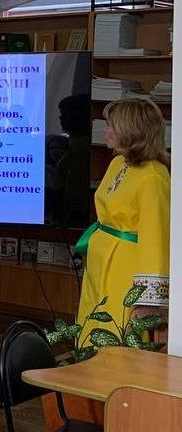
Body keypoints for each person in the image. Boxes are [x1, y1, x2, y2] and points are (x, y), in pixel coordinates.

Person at [76, 97, 170, 331]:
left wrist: (148, 300)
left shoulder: (154, 177)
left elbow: (157, 240)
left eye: (110, 125)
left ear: (130, 130)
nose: (105, 130)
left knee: (115, 330)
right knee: (91, 326)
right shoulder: (118, 162)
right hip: (100, 263)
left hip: (126, 268)